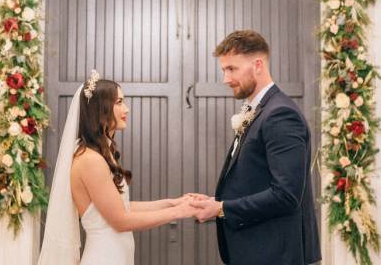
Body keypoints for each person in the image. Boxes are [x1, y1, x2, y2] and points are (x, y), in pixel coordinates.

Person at [38, 70, 197, 265]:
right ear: (100, 109)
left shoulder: (99, 156)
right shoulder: (89, 160)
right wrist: (179, 213)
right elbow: (121, 221)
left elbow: (122, 207)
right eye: (119, 102)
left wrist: (173, 203)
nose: (127, 109)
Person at [191, 30, 321, 265]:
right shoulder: (261, 110)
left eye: (232, 69)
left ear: (258, 65)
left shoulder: (280, 114)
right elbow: (256, 181)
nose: (225, 79)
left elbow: (286, 195)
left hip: (275, 254)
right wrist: (215, 202)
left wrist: (221, 208)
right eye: (224, 70)